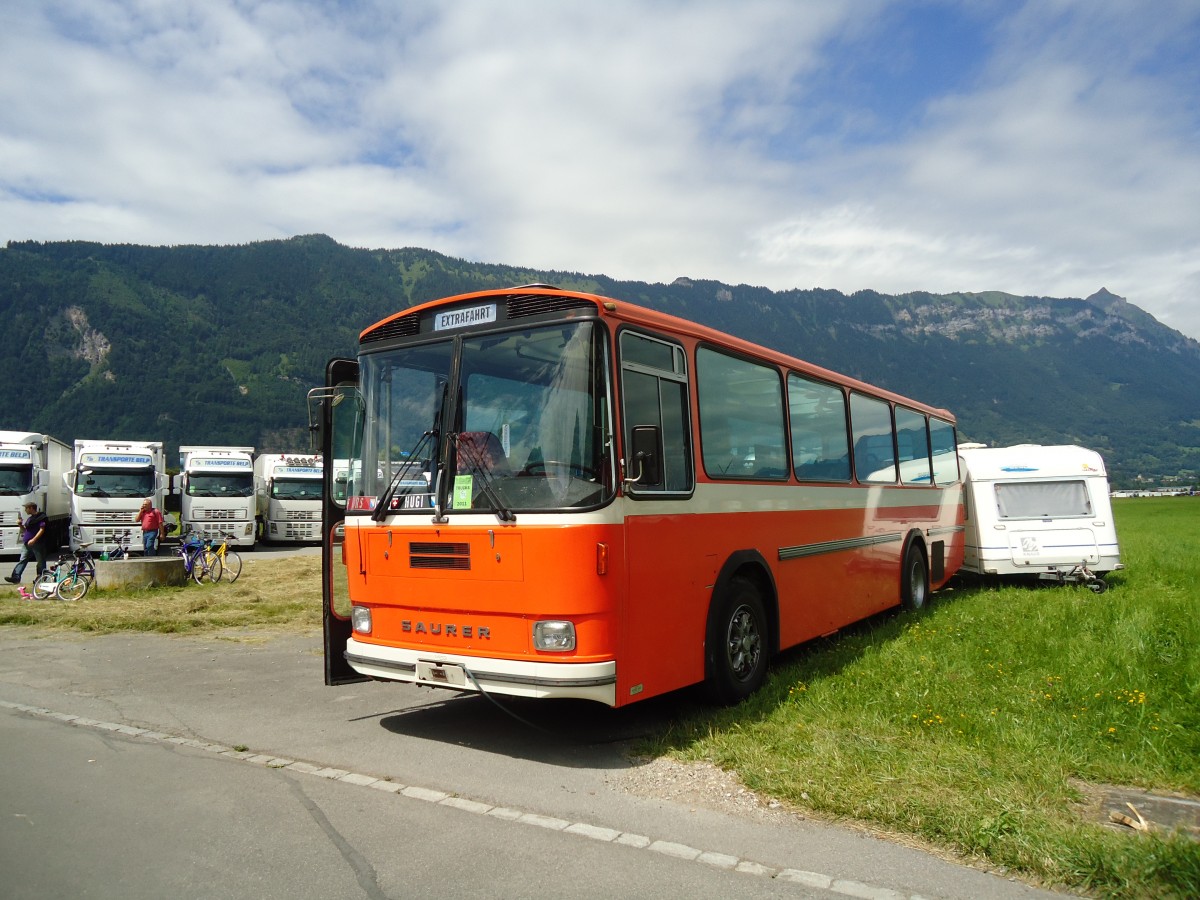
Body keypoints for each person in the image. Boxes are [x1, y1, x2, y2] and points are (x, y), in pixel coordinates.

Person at [6, 502, 49, 584]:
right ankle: (16, 577)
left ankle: (41, 578)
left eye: (26, 508)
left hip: (37, 543)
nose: (25, 510)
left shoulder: (41, 517)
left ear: (31, 508)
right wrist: (20, 525)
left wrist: (34, 539)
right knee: (23, 559)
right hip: (27, 544)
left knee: (40, 561)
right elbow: (26, 531)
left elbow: (42, 529)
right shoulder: (30, 519)